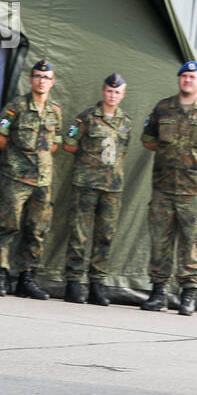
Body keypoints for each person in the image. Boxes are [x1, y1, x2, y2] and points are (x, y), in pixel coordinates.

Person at [140, 60, 197, 316]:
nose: (188, 81)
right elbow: (148, 140)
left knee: (191, 243)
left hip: (194, 190)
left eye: (193, 77)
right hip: (164, 186)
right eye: (184, 77)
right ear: (179, 80)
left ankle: (188, 296)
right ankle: (158, 293)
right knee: (160, 240)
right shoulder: (163, 108)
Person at [0, 59, 63, 299]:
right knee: (7, 227)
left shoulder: (55, 111)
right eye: (38, 77)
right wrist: (17, 158)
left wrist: (38, 161)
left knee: (37, 230)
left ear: (53, 82)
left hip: (42, 181)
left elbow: (55, 143)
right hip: (15, 178)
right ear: (31, 80)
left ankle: (26, 278)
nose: (42, 82)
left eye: (47, 78)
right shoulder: (16, 106)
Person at [61, 72, 132, 306]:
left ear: (123, 95)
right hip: (86, 184)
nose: (112, 95)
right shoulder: (87, 117)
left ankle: (97, 285)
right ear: (103, 91)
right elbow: (70, 144)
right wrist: (89, 162)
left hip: (112, 187)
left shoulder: (126, 122)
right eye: (109, 91)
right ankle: (73, 282)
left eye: (117, 92)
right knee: (79, 233)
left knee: (105, 236)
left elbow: (122, 152)